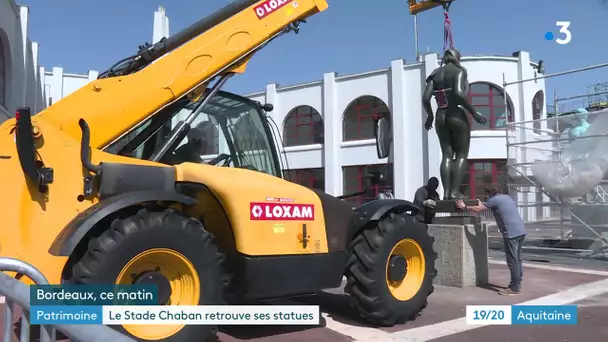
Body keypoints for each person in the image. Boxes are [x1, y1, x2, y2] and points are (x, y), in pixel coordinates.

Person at [422, 48, 488, 200]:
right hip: (456, 114)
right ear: (457, 58)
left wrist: (430, 116)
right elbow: (458, 94)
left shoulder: (435, 74)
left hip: (440, 115)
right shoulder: (459, 71)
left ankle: (446, 193)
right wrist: (473, 112)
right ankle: (454, 192)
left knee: (446, 156)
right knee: (461, 155)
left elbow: (425, 98)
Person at [455, 184, 526, 296]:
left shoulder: (494, 200)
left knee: (512, 261)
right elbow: (487, 206)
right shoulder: (506, 197)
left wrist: (464, 207)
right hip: (521, 231)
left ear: (491, 193)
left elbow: (478, 209)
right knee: (518, 259)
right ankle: (517, 283)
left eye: (487, 195)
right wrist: (485, 204)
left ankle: (514, 288)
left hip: (511, 233)